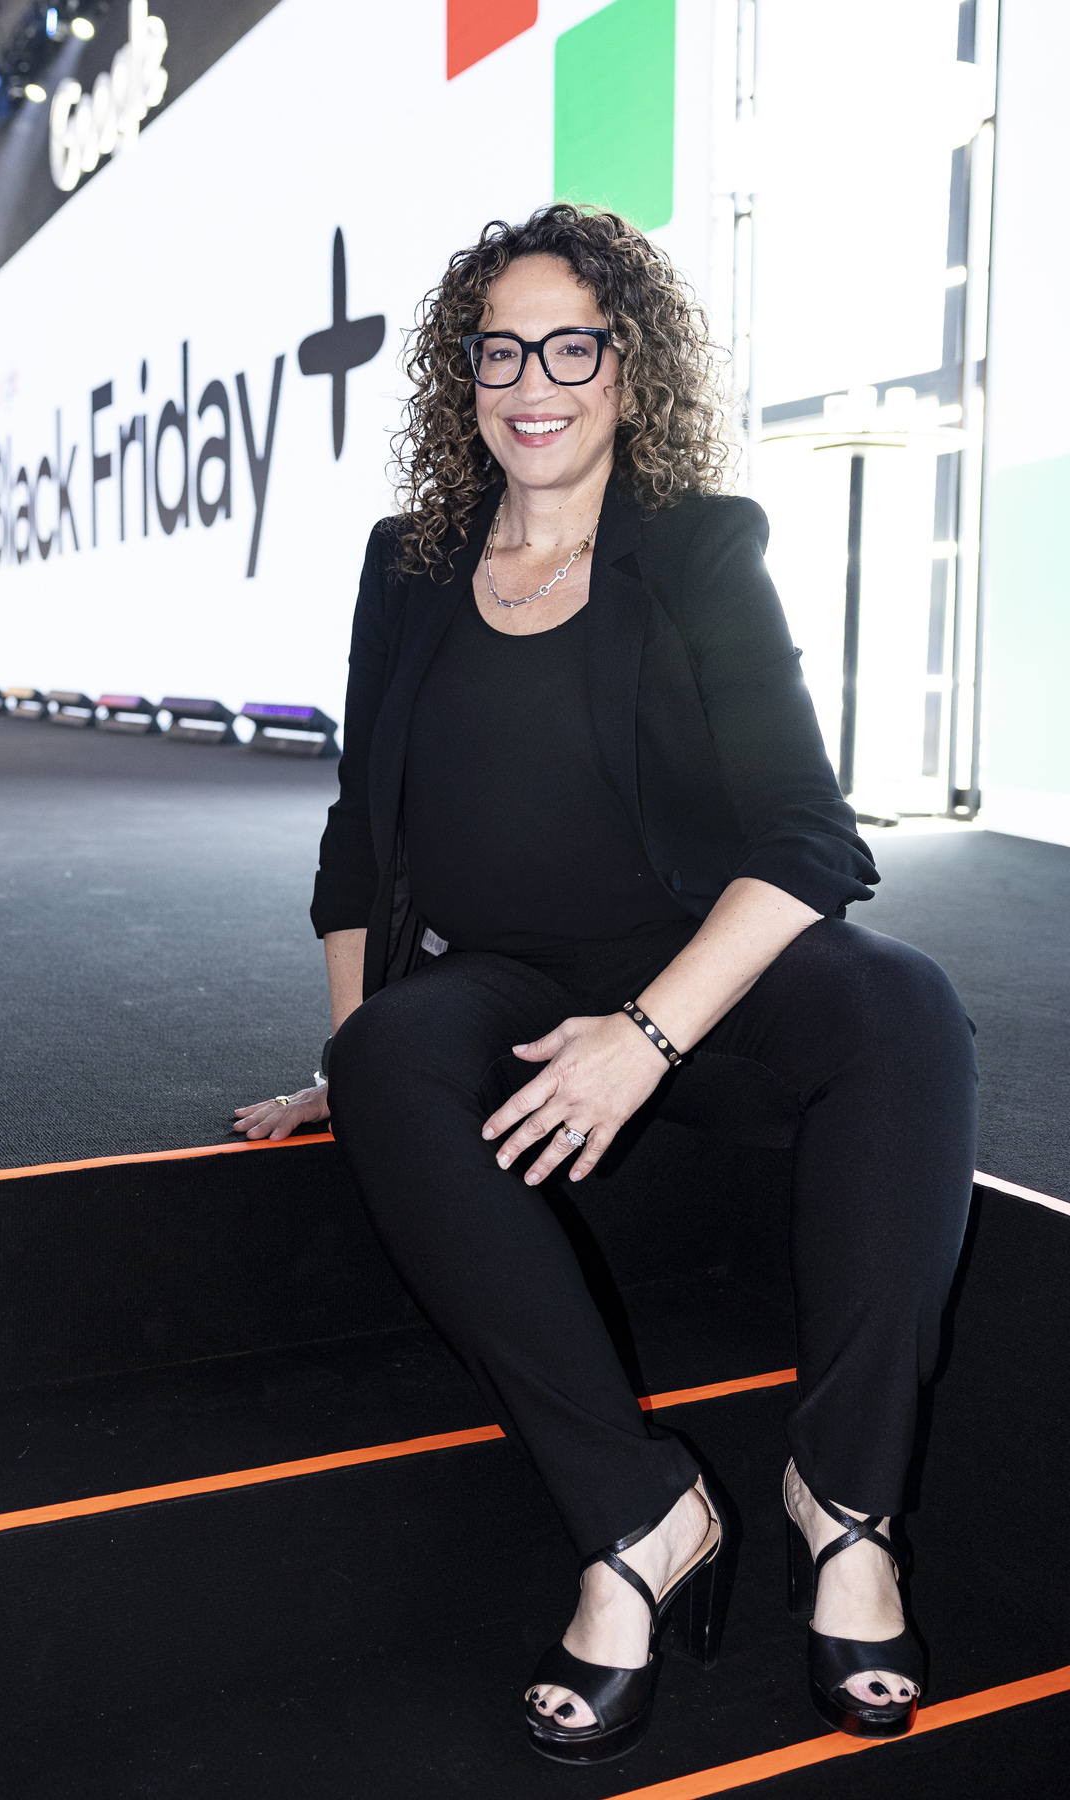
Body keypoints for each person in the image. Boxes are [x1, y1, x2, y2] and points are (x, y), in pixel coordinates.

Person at [233, 205, 977, 1765]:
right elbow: (361, 835)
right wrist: (350, 1062)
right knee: (383, 1059)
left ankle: (846, 1507)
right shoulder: (409, 565)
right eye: (500, 350)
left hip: (702, 973)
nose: (534, 384)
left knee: (904, 1006)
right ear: (464, 375)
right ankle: (638, 1518)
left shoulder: (700, 549)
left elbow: (809, 837)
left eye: (573, 347)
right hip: (505, 981)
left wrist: (646, 1035)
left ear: (630, 369)